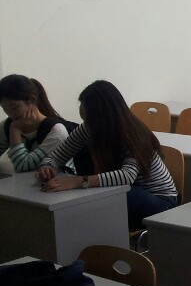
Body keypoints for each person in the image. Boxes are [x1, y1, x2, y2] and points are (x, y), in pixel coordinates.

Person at [37, 80, 178, 229]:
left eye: (90, 119)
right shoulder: (88, 128)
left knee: (113, 196)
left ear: (104, 116)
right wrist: (47, 166)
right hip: (125, 192)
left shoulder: (131, 134)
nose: (86, 124)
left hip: (161, 201)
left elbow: (127, 176)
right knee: (101, 197)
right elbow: (57, 155)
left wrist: (78, 181)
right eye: (83, 118)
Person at [0, 75, 80, 173]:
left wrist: (15, 130)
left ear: (32, 100)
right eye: (4, 108)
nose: (10, 113)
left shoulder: (56, 131)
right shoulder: (6, 125)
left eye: (14, 107)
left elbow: (23, 166)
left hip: (59, 181)